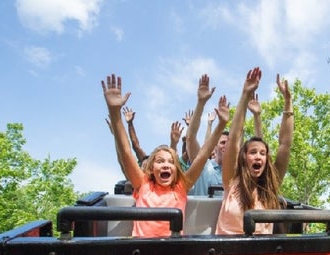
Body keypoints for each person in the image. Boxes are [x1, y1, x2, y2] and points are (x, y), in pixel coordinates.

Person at [102, 73, 228, 237]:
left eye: (170, 161)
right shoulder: (143, 185)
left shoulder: (181, 187)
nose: (166, 165)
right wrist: (114, 112)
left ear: (176, 169)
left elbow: (203, 156)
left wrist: (221, 125)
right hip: (142, 251)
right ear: (152, 168)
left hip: (171, 252)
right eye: (160, 161)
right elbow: (126, 152)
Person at [215, 67, 294, 235]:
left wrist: (288, 102)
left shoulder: (270, 187)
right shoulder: (231, 181)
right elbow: (234, 139)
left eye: (262, 153)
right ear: (244, 157)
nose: (258, 156)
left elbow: (285, 145)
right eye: (252, 152)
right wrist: (245, 95)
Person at [185, 74, 229, 196]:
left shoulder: (237, 172)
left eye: (229, 142)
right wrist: (201, 103)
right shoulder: (203, 165)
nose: (227, 145)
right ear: (214, 147)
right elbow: (190, 138)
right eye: (223, 142)